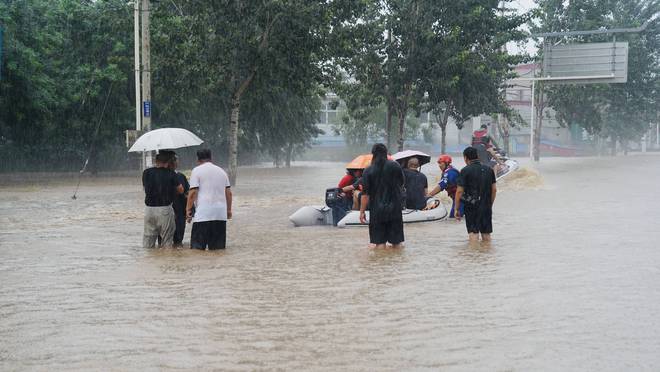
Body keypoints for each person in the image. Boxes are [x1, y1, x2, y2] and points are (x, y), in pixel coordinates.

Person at [359, 143, 405, 248]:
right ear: (386, 153)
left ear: (373, 154)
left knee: (380, 244)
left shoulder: (368, 170)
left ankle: (381, 263)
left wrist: (362, 212)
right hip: (394, 209)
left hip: (376, 211)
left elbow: (365, 194)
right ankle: (397, 263)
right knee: (397, 243)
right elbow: (402, 183)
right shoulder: (395, 165)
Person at [185, 149, 232, 250]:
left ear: (198, 159)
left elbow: (192, 192)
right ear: (211, 158)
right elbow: (229, 193)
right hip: (220, 215)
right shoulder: (222, 171)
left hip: (203, 215)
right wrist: (228, 210)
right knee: (217, 251)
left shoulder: (196, 171)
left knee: (197, 251)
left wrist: (188, 209)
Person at [142, 151, 184, 248]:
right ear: (169, 162)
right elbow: (181, 190)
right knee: (166, 241)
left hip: (149, 210)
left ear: (156, 161)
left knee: (148, 240)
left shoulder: (146, 172)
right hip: (165, 210)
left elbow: (146, 188)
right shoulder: (171, 173)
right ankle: (165, 261)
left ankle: (149, 260)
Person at [454, 146, 497, 242]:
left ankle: (474, 255)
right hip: (486, 206)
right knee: (486, 235)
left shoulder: (465, 170)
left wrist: (456, 209)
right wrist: (489, 204)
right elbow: (494, 190)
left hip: (471, 206)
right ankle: (487, 255)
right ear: (477, 156)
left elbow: (459, 191)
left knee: (473, 234)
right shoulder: (489, 170)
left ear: (465, 158)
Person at [168, 153, 189, 247]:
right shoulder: (178, 176)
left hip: (178, 211)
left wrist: (189, 210)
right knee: (175, 241)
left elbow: (187, 194)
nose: (176, 162)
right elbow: (186, 194)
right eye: (175, 160)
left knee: (174, 240)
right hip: (173, 211)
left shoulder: (181, 176)